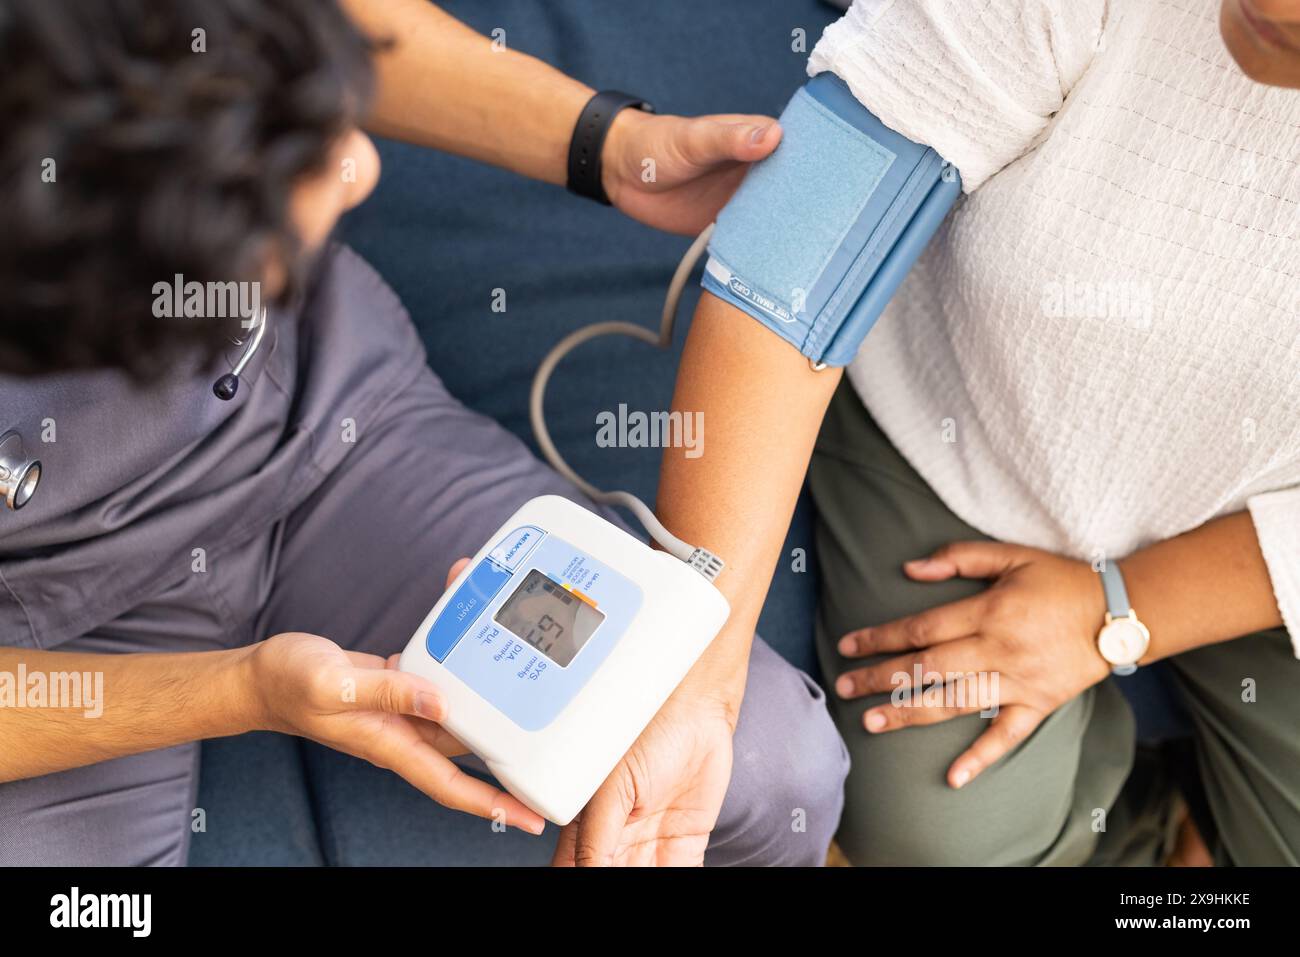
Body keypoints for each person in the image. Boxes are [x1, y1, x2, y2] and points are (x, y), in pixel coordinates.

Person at [0, 0, 849, 867]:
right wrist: (238, 691)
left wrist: (605, 144)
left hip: (324, 427)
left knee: (772, 763)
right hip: (42, 621)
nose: (359, 167)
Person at [651, 0, 1300, 865]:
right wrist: (692, 673)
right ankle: (1163, 823)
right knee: (939, 844)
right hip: (957, 429)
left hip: (1265, 525)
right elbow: (790, 254)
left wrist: (1117, 614)